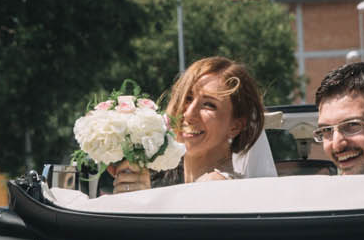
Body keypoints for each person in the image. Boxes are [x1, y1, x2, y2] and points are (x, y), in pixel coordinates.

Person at [111, 57, 269, 190]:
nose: (188, 113)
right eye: (187, 98)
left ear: (235, 126)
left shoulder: (216, 186)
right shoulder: (161, 182)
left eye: (209, 105)